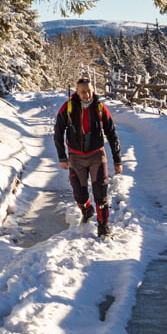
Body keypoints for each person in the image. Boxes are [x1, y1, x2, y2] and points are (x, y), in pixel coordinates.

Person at [54, 74, 122, 238]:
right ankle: (86, 209)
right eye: (83, 92)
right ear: (76, 92)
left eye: (89, 91)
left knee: (100, 192)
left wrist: (117, 159)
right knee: (79, 193)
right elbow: (58, 132)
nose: (87, 95)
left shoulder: (99, 108)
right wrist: (62, 157)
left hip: (97, 156)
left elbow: (112, 134)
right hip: (75, 157)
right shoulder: (68, 107)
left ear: (93, 90)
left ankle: (103, 226)